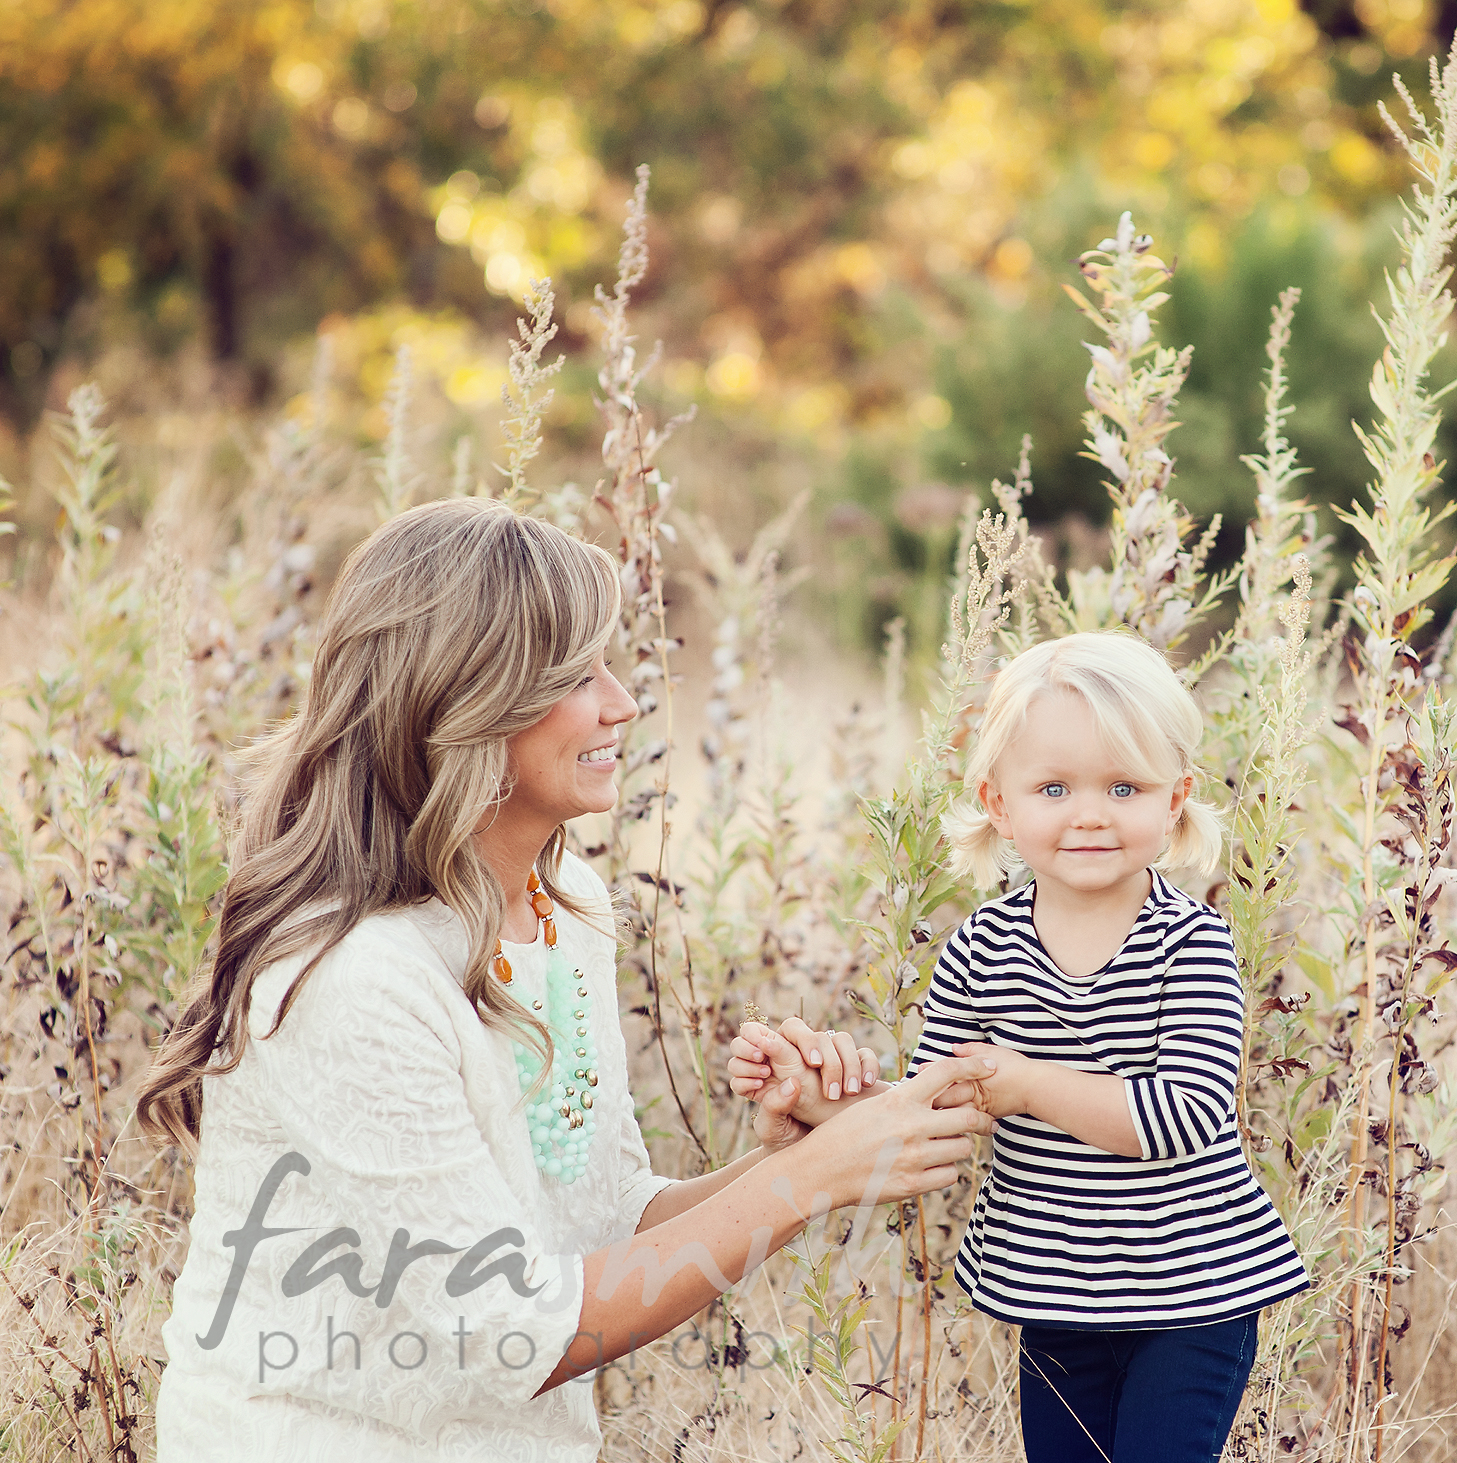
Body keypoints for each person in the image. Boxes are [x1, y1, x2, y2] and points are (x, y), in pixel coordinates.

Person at [136, 498, 994, 1463]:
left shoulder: (565, 902)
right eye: (577, 676)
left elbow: (607, 1216)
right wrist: (804, 1181)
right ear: (463, 701)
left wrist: (797, 1155)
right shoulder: (352, 976)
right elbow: (516, 1330)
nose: (623, 703)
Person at [730, 630, 1308, 1463]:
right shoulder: (982, 946)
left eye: (1124, 785)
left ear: (1175, 796)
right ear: (997, 802)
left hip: (1193, 1299)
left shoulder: (1191, 944)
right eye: (1053, 786)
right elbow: (933, 1103)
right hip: (1056, 1294)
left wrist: (1027, 1081)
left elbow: (1181, 1117)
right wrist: (816, 1097)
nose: (1090, 813)